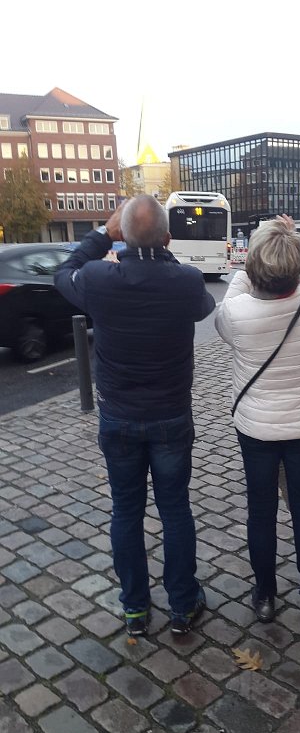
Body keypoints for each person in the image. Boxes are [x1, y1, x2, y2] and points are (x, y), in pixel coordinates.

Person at [54, 195, 216, 638]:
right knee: (175, 509)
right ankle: (182, 605)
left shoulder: (98, 279)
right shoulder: (185, 280)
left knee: (126, 510)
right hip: (170, 417)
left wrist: (102, 235)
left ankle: (135, 609)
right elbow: (204, 306)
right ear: (168, 238)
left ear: (122, 235)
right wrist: (160, 253)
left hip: (119, 418)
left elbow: (64, 271)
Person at [215, 216, 300, 628]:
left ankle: (265, 596)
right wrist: (290, 241)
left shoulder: (235, 313)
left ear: (252, 265)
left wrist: (255, 257)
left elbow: (231, 300)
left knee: (261, 512)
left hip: (256, 429)